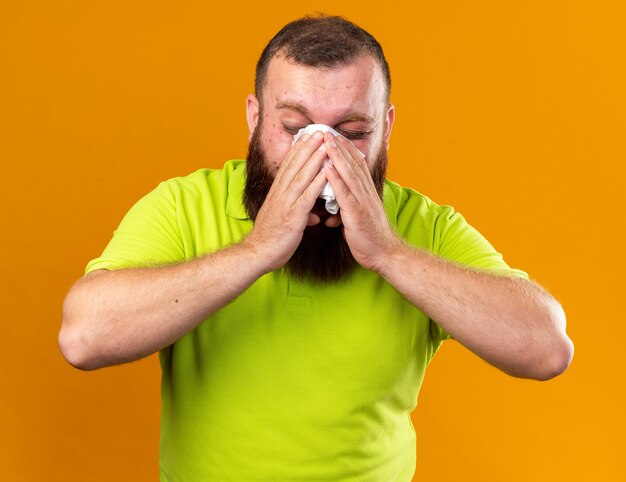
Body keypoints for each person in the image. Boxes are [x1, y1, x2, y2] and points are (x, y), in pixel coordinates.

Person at [59, 14, 574, 482]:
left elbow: (547, 348)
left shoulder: (425, 226)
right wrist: (257, 249)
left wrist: (389, 253)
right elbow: (83, 338)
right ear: (254, 118)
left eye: (352, 132)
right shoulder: (183, 205)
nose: (323, 155)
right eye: (294, 129)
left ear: (387, 129)